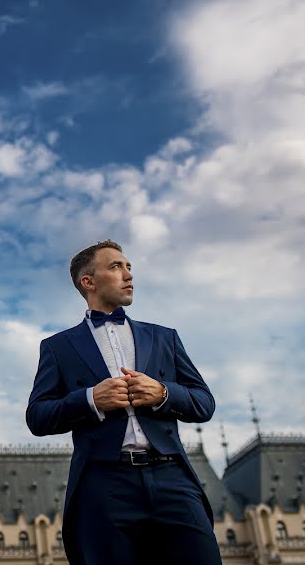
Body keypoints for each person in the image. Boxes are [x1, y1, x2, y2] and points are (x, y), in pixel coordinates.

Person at [26, 240, 220, 565]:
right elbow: (38, 417)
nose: (129, 275)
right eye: (116, 266)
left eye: (129, 267)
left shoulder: (164, 337)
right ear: (88, 281)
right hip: (104, 484)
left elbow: (203, 402)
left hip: (171, 477)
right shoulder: (58, 347)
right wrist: (90, 399)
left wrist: (163, 393)